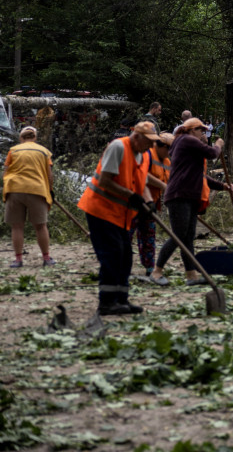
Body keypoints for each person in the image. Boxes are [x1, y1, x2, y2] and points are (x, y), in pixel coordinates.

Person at [77, 121, 167, 315]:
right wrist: (131, 196)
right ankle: (107, 302)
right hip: (100, 209)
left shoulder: (142, 156)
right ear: (136, 136)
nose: (151, 146)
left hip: (121, 214)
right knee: (112, 254)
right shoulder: (118, 147)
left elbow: (141, 182)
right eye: (148, 141)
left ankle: (121, 300)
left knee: (126, 256)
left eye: (153, 142)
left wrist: (148, 201)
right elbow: (105, 181)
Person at [152, 118, 224, 286]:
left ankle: (191, 275)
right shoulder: (186, 140)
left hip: (189, 195)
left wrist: (222, 186)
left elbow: (200, 176)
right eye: (201, 130)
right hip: (179, 195)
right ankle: (157, 271)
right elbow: (213, 153)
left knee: (188, 237)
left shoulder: (186, 145)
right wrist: (219, 144)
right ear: (192, 130)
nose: (203, 133)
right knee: (179, 236)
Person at [3, 127, 55, 268]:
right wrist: (50, 190)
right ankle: (47, 258)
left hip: (15, 190)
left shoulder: (13, 150)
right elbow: (49, 174)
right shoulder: (44, 151)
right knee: (40, 226)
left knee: (17, 226)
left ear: (21, 138)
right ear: (35, 137)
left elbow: (5, 172)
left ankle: (18, 260)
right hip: (37, 190)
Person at [133, 132, 173, 284]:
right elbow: (142, 176)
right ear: (160, 145)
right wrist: (163, 185)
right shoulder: (147, 155)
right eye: (168, 148)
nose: (170, 152)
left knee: (149, 236)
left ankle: (150, 267)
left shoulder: (167, 162)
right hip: (136, 202)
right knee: (126, 236)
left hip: (151, 205)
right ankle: (119, 267)